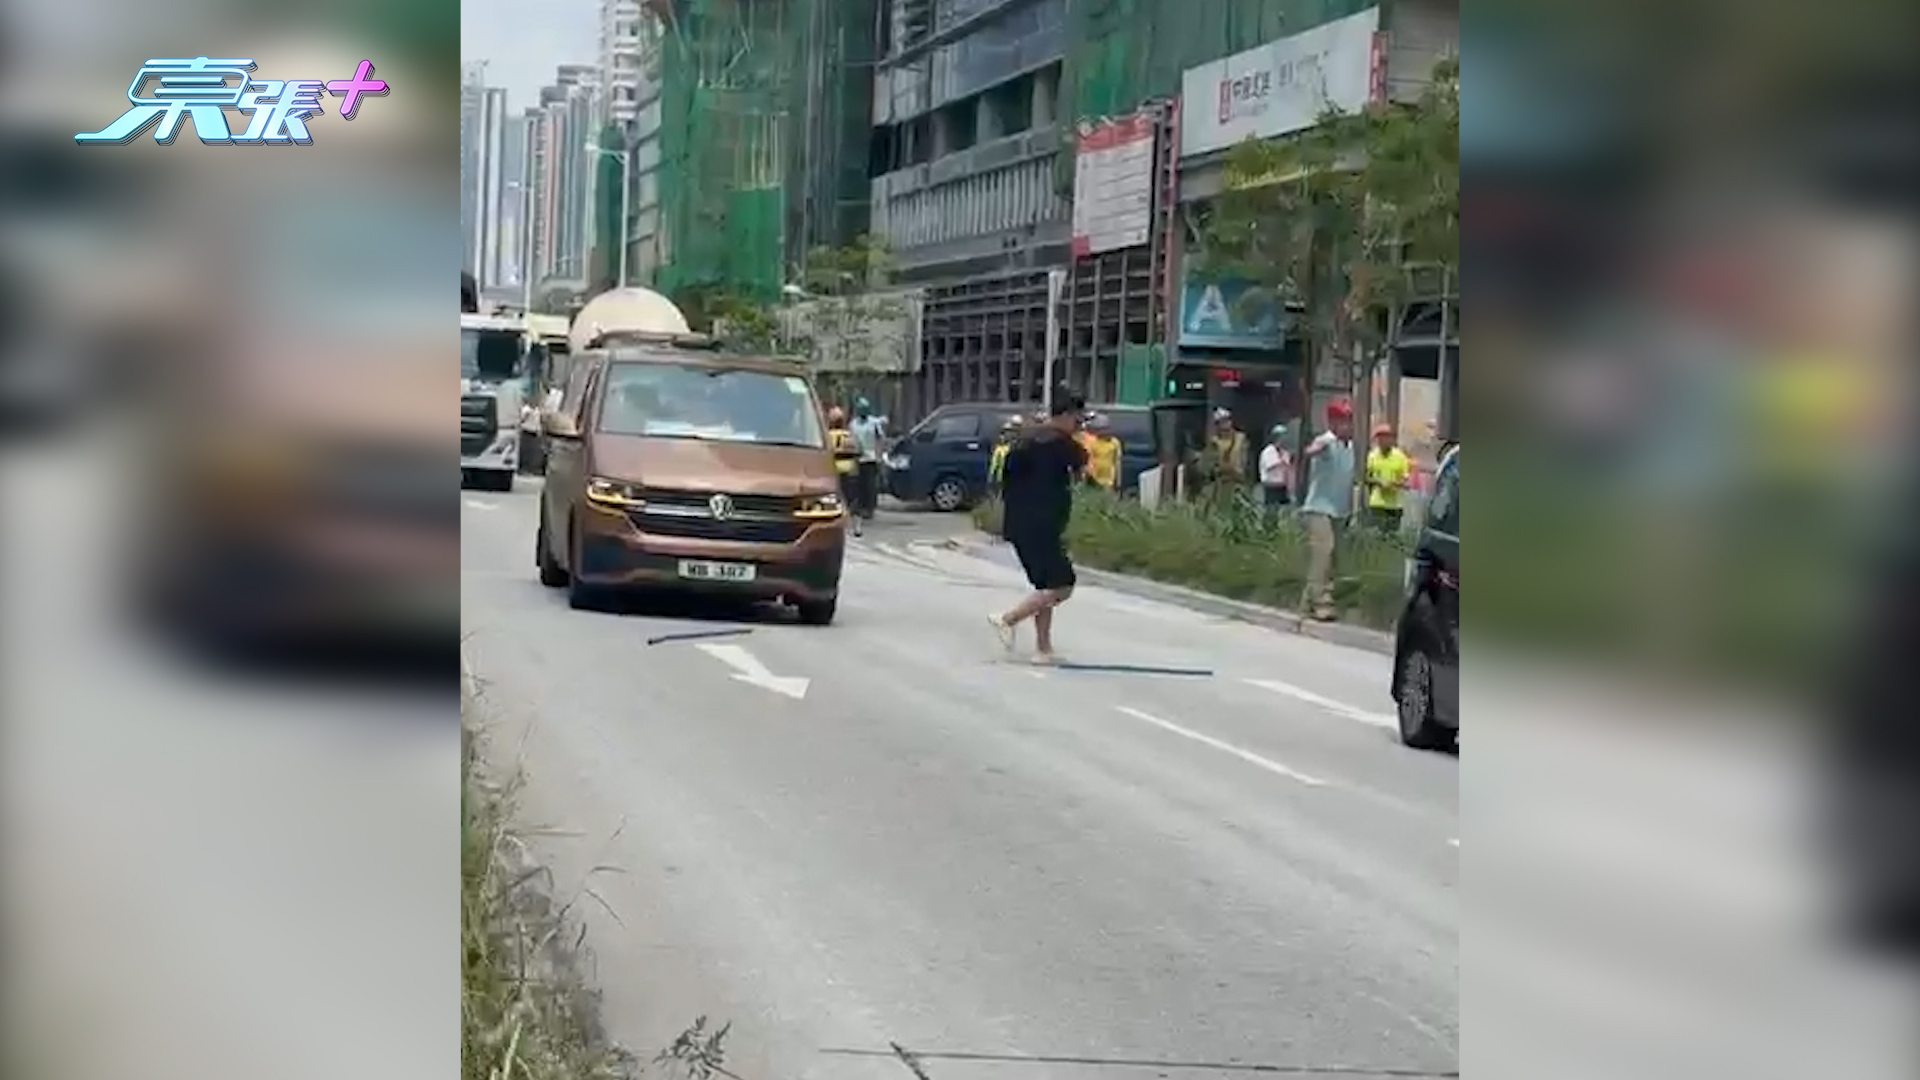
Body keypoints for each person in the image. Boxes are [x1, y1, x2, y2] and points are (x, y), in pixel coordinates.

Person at [988, 390, 1088, 664]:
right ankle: (1008, 619)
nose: (1078, 425)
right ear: (1067, 416)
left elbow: (1006, 476)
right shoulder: (1060, 442)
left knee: (1045, 586)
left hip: (1019, 522)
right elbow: (1082, 461)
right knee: (1063, 584)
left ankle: (1043, 649)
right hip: (1042, 523)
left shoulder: (1024, 440)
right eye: (1077, 419)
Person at [1299, 398, 1356, 622]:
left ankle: (1306, 605)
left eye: (1350, 420)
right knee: (1324, 551)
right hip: (1319, 509)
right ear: (1332, 421)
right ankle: (1322, 603)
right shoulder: (1326, 441)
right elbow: (1312, 450)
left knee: (1331, 559)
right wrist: (1315, 447)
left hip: (1338, 511)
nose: (1348, 425)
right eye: (1343, 421)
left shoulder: (1350, 447)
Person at [1364, 422, 1413, 532]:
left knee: (1391, 538)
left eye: (1385, 437)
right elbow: (1366, 478)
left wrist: (1393, 483)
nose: (1382, 440)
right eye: (1380, 437)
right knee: (1376, 537)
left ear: (1391, 439)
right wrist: (1378, 482)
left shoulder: (1400, 457)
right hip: (1377, 504)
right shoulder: (1372, 456)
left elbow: (1407, 483)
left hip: (1395, 505)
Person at [847, 397, 886, 534]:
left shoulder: (874, 423)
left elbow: (880, 439)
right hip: (858, 457)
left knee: (870, 484)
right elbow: (851, 440)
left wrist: (879, 455)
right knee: (858, 484)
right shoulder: (853, 424)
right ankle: (859, 507)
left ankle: (870, 508)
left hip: (871, 457)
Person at [1198, 407, 1250, 493]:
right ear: (1217, 425)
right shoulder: (1213, 443)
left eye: (1227, 420)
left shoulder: (1240, 439)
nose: (1225, 424)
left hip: (1237, 482)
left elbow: (1245, 462)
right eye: (1222, 422)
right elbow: (1206, 467)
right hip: (1219, 483)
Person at [825, 405, 859, 527]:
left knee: (836, 496)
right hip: (848, 468)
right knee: (848, 495)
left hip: (833, 469)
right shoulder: (847, 435)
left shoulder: (827, 435)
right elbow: (855, 451)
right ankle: (848, 514)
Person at [1081, 412, 1124, 491]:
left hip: (1109, 480)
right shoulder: (1092, 442)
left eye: (1105, 429)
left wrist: (1118, 482)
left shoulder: (1114, 442)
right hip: (1094, 479)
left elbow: (1117, 461)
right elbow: (1088, 459)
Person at [1257, 423, 1294, 511]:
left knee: (1282, 510)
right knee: (1271, 509)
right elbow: (1271, 465)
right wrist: (1282, 462)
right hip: (1271, 485)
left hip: (1282, 485)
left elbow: (1287, 468)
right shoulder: (1268, 451)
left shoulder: (1285, 452)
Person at [987, 416, 1020, 494]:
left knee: (1002, 466)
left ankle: (998, 483)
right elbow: (1000, 438)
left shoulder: (1018, 433)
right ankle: (993, 482)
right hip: (1002, 448)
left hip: (1007, 449)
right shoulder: (1007, 429)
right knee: (996, 465)